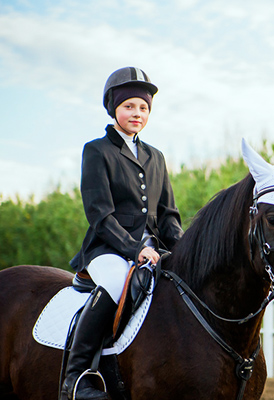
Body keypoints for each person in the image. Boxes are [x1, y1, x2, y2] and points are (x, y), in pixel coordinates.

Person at [62, 67, 184, 400]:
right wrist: (134, 250)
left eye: (143, 108)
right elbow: (100, 215)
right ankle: (76, 378)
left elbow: (169, 215)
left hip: (153, 248)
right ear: (113, 107)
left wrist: (184, 250)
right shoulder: (97, 150)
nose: (137, 113)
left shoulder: (155, 156)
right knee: (117, 282)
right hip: (108, 249)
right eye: (129, 106)